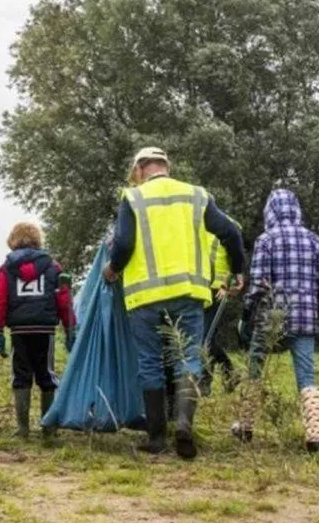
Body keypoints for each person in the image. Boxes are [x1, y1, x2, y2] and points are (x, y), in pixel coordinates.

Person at [103, 147, 245, 460]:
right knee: (188, 358)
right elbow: (230, 232)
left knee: (150, 362)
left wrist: (112, 269)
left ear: (140, 169)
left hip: (144, 296)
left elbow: (124, 243)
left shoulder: (133, 197)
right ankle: (183, 424)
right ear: (167, 166)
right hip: (188, 293)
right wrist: (237, 269)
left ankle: (156, 438)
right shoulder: (196, 195)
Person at [238, 189, 319, 453]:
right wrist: (316, 310)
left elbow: (259, 284)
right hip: (305, 318)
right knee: (306, 375)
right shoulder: (314, 241)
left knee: (256, 369)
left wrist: (247, 314)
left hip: (271, 318)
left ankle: (245, 426)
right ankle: (314, 434)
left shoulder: (266, 240)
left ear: (270, 211)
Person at [0, 222, 75, 438]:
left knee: (21, 375)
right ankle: (48, 427)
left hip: (19, 330)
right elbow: (64, 299)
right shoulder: (53, 267)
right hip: (45, 329)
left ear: (13, 241)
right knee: (47, 374)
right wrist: (69, 327)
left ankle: (23, 429)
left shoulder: (7, 268)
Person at [199, 218, 242, 396]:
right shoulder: (199, 223)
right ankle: (230, 373)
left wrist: (226, 285)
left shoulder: (229, 227)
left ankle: (206, 381)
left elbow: (235, 259)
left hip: (218, 290)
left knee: (206, 338)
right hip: (200, 288)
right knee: (204, 337)